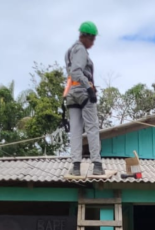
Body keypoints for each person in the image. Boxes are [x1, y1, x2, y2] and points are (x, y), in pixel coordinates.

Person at [64, 21, 104, 176]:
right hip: (83, 92)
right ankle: (97, 165)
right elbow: (76, 71)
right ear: (85, 37)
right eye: (92, 39)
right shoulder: (80, 49)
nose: (93, 43)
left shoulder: (69, 51)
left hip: (72, 93)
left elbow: (71, 73)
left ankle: (76, 167)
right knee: (92, 128)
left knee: (75, 130)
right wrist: (88, 88)